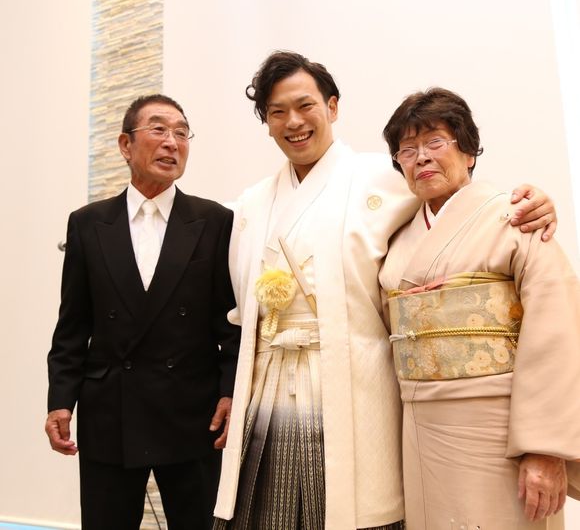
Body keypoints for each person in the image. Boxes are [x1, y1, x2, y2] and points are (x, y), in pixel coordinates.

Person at [213, 51, 557, 530]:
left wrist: (532, 203)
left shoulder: (382, 177)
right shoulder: (252, 204)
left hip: (357, 383)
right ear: (266, 122)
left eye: (305, 105)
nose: (293, 122)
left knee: (356, 508)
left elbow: (456, 202)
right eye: (277, 112)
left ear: (332, 107)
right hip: (269, 384)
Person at [379, 87, 580, 529]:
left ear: (469, 151)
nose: (421, 157)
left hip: (498, 429)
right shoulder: (395, 237)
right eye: (407, 150)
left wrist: (544, 448)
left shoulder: (516, 219)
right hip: (420, 425)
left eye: (435, 142)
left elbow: (558, 336)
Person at [45, 94, 240, 530]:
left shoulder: (215, 221)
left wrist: (230, 392)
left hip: (193, 412)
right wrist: (60, 400)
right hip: (110, 411)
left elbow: (230, 325)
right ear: (125, 144)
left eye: (182, 133)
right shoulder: (87, 223)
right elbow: (73, 325)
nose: (172, 142)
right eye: (158, 129)